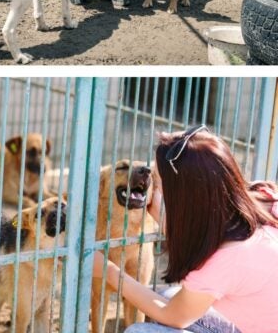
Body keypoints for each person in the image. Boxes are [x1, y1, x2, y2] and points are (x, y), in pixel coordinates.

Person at [92, 125, 278, 333]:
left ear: (182, 194)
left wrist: (109, 272)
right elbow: (205, 236)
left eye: (158, 180)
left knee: (140, 331)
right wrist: (160, 215)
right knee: (164, 297)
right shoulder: (263, 196)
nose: (153, 187)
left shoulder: (226, 259)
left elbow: (173, 316)